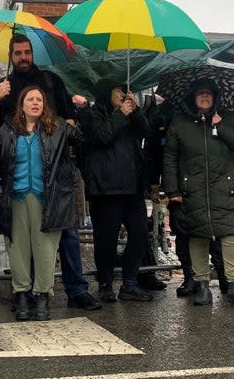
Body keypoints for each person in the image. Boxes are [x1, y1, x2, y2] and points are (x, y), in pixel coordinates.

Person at [0, 34, 99, 311]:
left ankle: (76, 290)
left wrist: (65, 124)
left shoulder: (50, 81)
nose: (23, 57)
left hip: (56, 177)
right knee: (23, 241)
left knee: (66, 236)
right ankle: (28, 293)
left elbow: (70, 119)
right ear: (10, 56)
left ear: (32, 54)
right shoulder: (4, 86)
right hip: (21, 180)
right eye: (17, 53)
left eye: (27, 52)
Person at [0, 86, 81, 321]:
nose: (35, 103)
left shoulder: (57, 128)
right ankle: (21, 294)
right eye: (30, 99)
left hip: (46, 199)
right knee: (18, 250)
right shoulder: (8, 130)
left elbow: (82, 141)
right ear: (22, 104)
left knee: (45, 251)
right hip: (16, 198)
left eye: (39, 99)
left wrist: (83, 110)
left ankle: (42, 295)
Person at [162, 78, 234, 310]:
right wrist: (172, 189)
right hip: (192, 189)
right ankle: (202, 285)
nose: (205, 97)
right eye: (200, 94)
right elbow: (170, 158)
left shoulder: (229, 118)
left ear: (215, 97)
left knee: (231, 236)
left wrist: (221, 125)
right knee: (197, 236)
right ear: (193, 98)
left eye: (209, 94)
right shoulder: (180, 122)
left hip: (226, 188)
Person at [76, 79, 153, 302]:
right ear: (106, 92)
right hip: (105, 187)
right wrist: (121, 115)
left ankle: (129, 282)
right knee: (106, 239)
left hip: (132, 186)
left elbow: (146, 132)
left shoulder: (129, 114)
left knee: (139, 234)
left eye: (125, 90)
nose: (122, 94)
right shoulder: (91, 114)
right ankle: (105, 283)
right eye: (118, 90)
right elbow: (101, 137)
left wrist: (135, 111)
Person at [144, 97, 227, 297]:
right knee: (183, 233)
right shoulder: (162, 113)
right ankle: (191, 278)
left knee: (214, 231)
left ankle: (224, 277)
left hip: (206, 182)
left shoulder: (209, 111)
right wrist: (154, 182)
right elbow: (153, 150)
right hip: (178, 185)